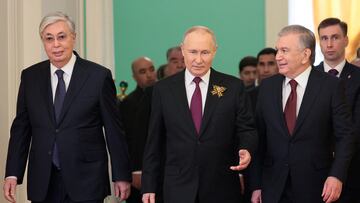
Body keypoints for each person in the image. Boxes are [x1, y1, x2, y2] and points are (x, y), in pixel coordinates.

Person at [3, 12, 131, 203]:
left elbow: (114, 130)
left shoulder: (98, 76)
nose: (56, 44)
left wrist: (121, 175)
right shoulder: (30, 77)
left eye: (62, 37)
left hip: (86, 179)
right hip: (44, 180)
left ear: (74, 37)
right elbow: (21, 127)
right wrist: (13, 173)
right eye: (49, 38)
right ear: (43, 42)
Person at [141, 25, 257, 203]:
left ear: (215, 51)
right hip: (177, 187)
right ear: (182, 50)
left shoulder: (233, 87)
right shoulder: (163, 90)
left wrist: (246, 148)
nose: (198, 59)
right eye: (193, 52)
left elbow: (247, 128)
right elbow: (154, 141)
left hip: (221, 187)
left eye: (205, 52)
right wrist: (148, 185)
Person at [251, 25, 355, 203]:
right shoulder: (267, 88)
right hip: (273, 187)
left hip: (316, 186)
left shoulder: (331, 86)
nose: (278, 57)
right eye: (277, 50)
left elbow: (345, 136)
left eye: (284, 50)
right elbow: (258, 139)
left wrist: (337, 176)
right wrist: (256, 185)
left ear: (305, 54)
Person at [315, 17, 360, 203]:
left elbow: (356, 125)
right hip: (315, 166)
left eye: (335, 37)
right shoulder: (310, 77)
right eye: (324, 38)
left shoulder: (358, 77)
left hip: (354, 166)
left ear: (346, 40)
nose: (329, 44)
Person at [120, 57, 158, 203]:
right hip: (140, 169)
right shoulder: (129, 103)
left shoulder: (164, 94)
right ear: (134, 77)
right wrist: (136, 170)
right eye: (142, 72)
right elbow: (131, 139)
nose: (149, 75)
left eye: (151, 69)